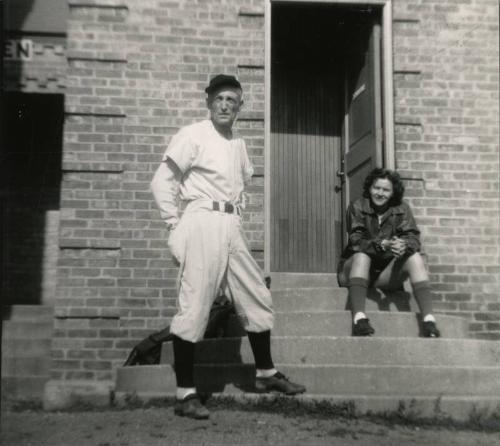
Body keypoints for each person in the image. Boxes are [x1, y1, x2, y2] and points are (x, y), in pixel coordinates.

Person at [150, 74, 306, 420]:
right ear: (209, 102)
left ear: (240, 107)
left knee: (255, 294)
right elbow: (162, 181)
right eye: (219, 99)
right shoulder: (193, 135)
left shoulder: (238, 144)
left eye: (231, 101)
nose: (224, 105)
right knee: (195, 305)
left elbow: (239, 185)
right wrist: (174, 225)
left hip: (230, 224)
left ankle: (265, 374)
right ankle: (186, 393)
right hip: (200, 220)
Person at [337, 168, 441, 338]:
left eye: (386, 190)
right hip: (354, 270)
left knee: (414, 257)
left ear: (393, 193)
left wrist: (403, 245)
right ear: (369, 188)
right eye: (376, 188)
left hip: (383, 274)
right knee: (362, 256)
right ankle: (359, 319)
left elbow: (414, 238)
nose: (380, 193)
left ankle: (429, 320)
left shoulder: (402, 209)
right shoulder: (357, 206)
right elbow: (356, 241)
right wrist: (381, 244)